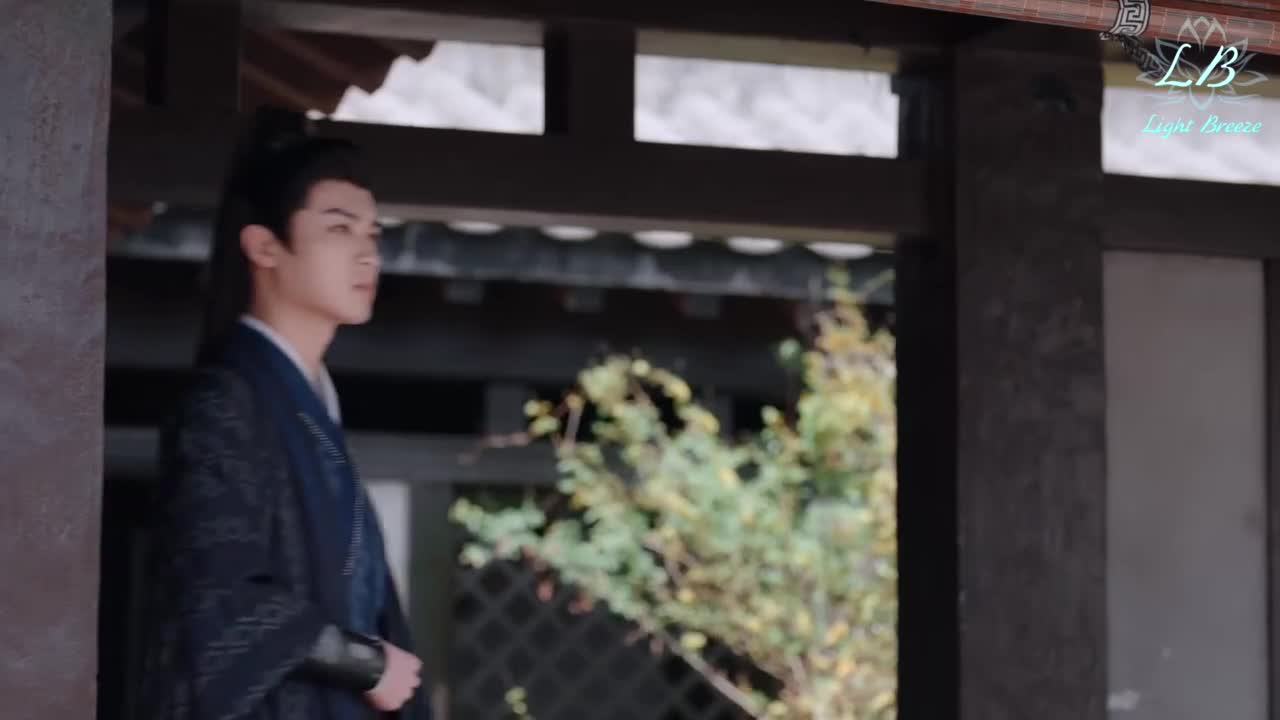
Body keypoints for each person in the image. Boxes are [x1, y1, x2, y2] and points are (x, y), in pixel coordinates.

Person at [137, 112, 430, 720]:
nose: (367, 253)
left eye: (373, 234)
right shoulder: (226, 403)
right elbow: (217, 596)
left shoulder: (309, 406)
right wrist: (366, 662)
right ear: (264, 246)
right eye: (339, 228)